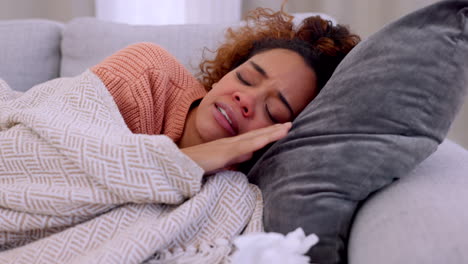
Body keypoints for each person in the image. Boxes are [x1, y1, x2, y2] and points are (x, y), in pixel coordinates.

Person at [91, 7, 360, 175]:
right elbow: (59, 163)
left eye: (271, 111)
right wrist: (194, 159)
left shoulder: (237, 190)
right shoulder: (147, 71)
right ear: (224, 75)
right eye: (245, 77)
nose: (246, 99)